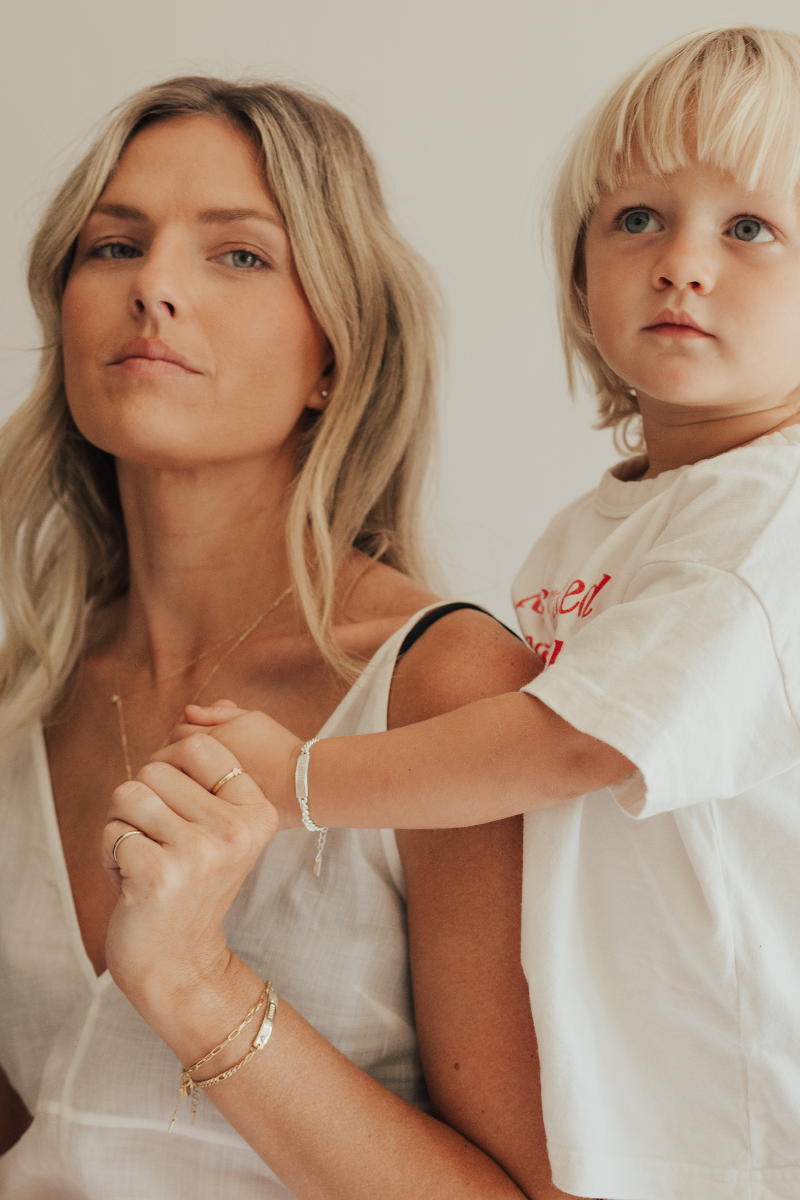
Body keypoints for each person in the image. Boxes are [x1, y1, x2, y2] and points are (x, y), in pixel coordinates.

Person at [175, 25, 800, 1200]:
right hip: (646, 1098)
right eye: (635, 220)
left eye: (749, 227)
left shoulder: (772, 515)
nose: (681, 263)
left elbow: (571, 739)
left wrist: (300, 780)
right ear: (575, 277)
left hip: (754, 1102)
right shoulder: (596, 527)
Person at [0, 76, 573, 1199]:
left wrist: (197, 982)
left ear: (334, 358)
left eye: (239, 255)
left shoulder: (443, 686)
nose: (154, 288)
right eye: (114, 246)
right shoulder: (29, 692)